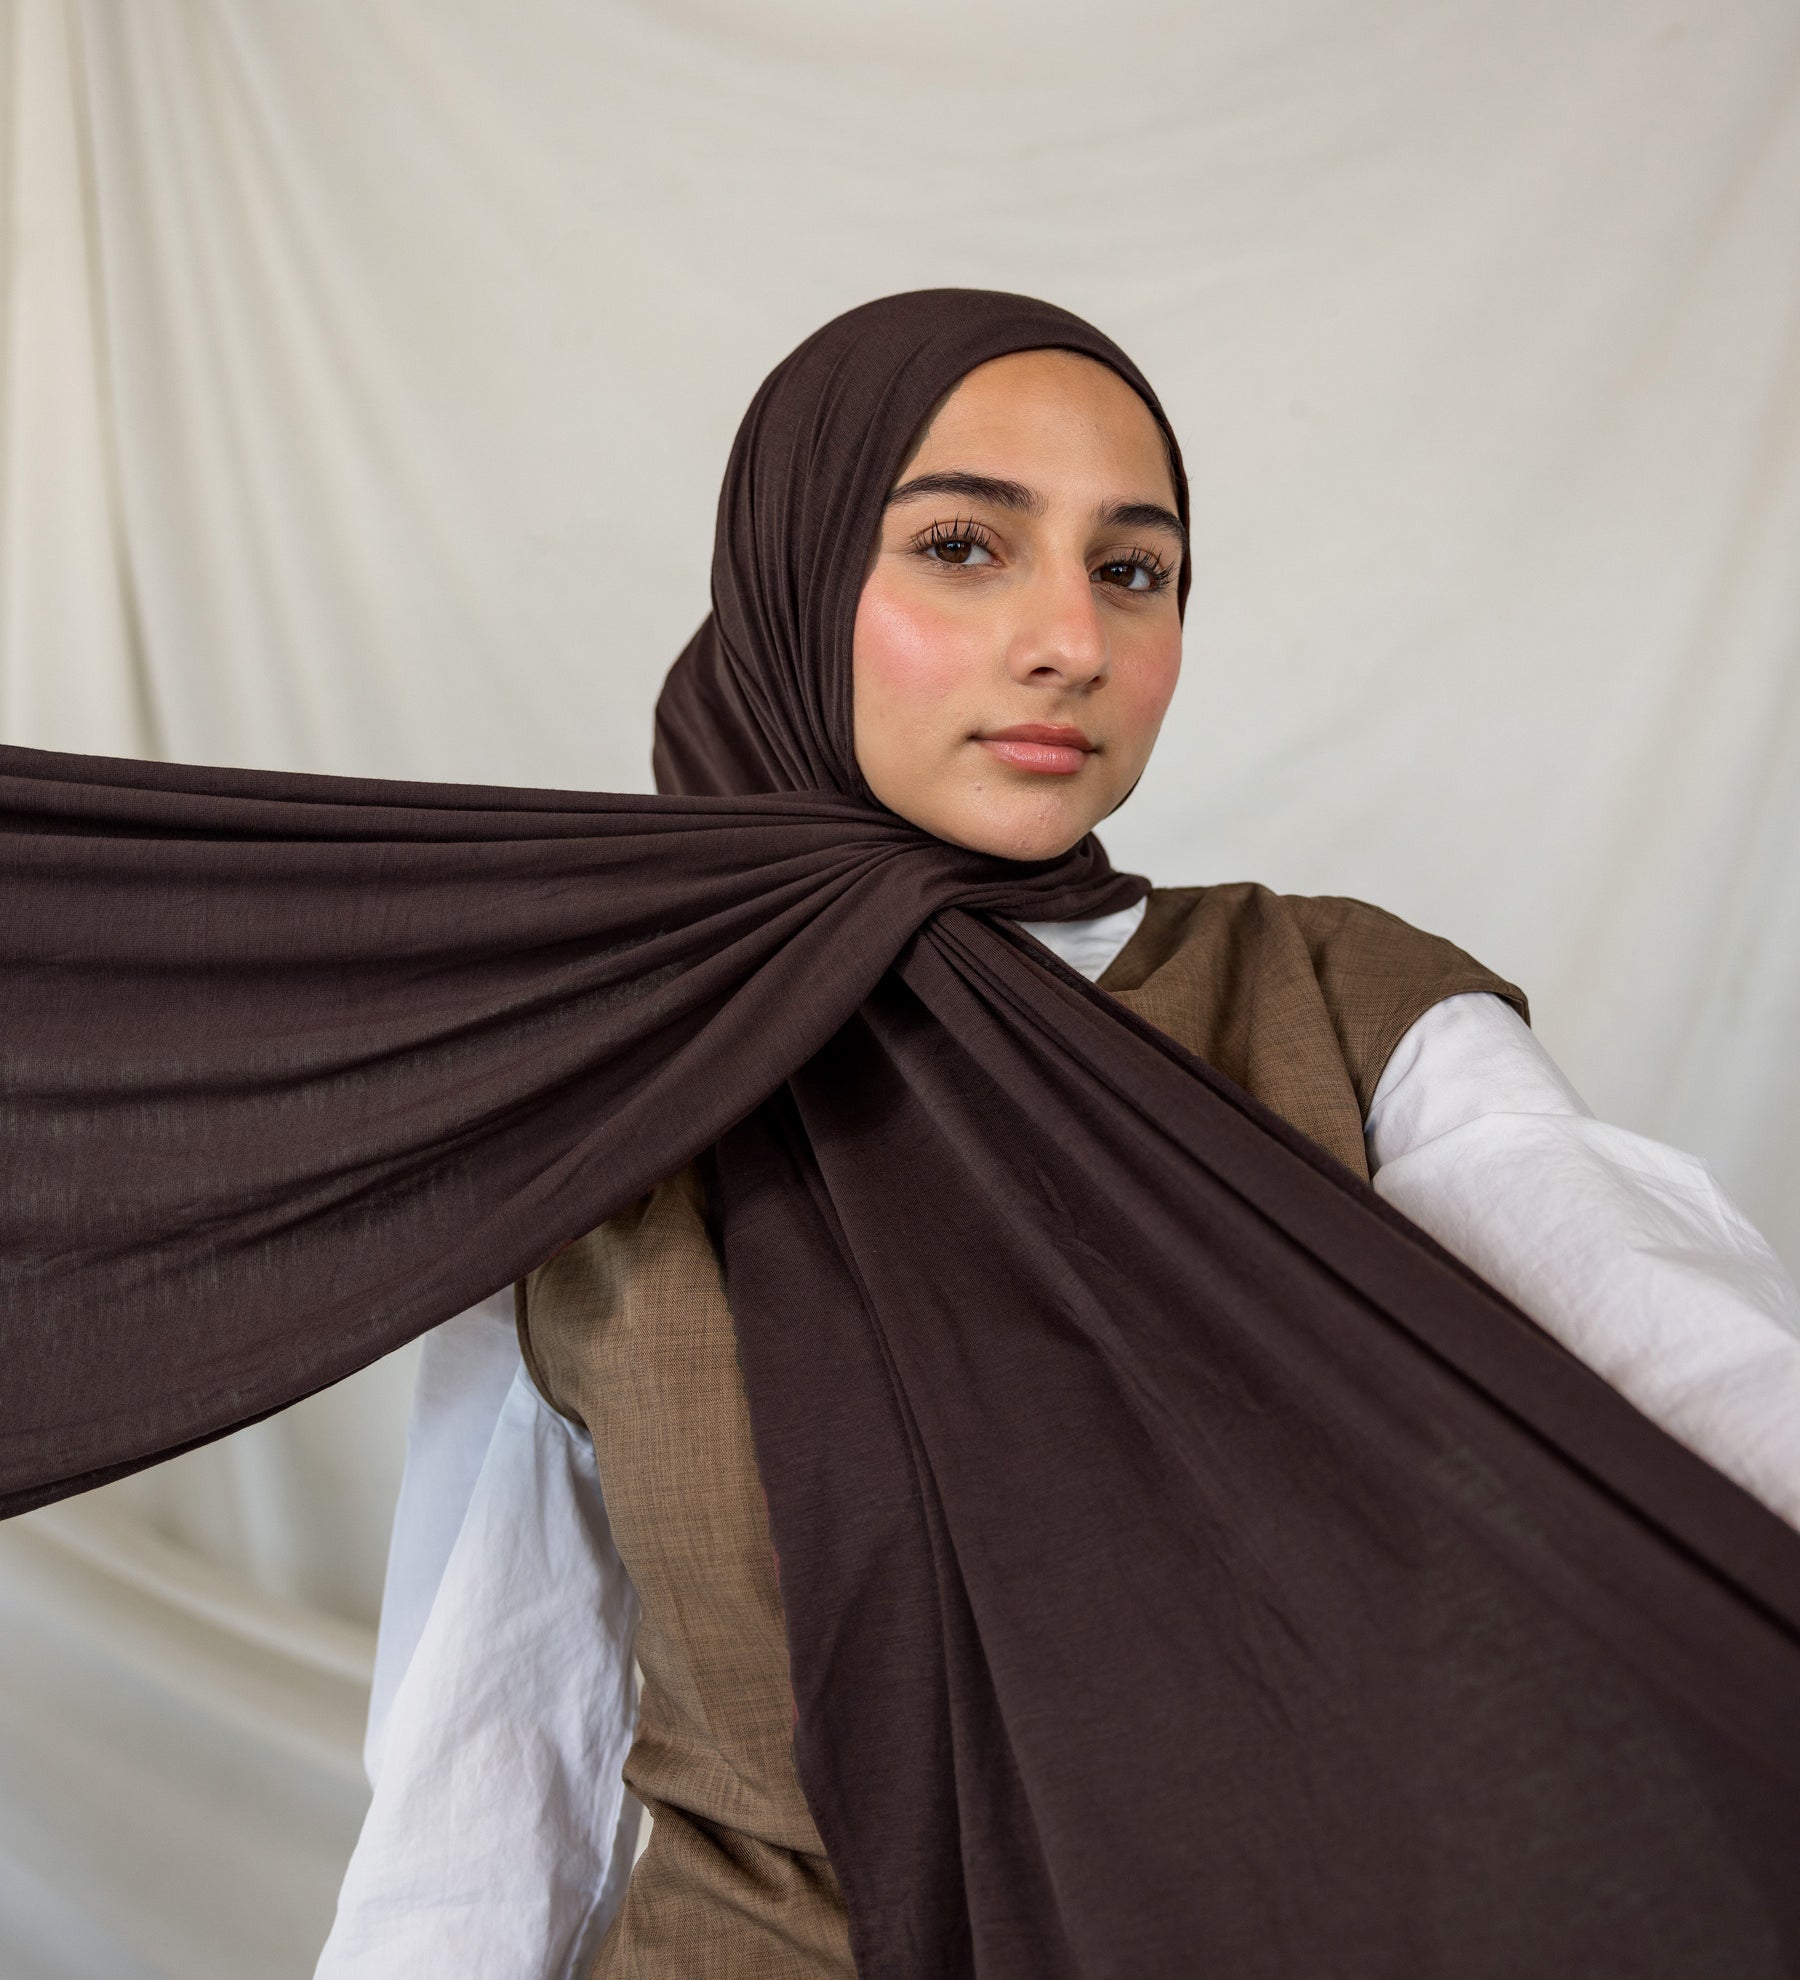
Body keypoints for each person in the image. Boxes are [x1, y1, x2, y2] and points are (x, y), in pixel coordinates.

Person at [301, 303, 1800, 1977]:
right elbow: (486, 1792)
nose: (1069, 639)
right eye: (962, 545)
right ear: (795, 584)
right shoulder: (604, 1092)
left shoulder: (1333, 1006)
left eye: (1134, 571)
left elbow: (1699, 1368)